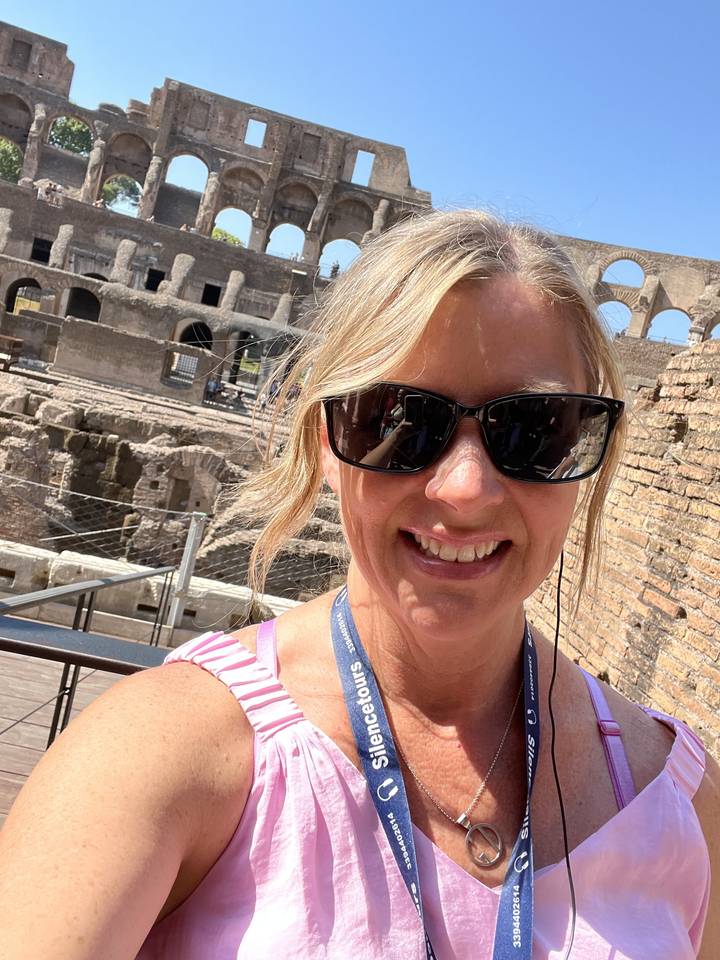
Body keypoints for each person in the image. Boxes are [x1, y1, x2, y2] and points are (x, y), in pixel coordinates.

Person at [0, 210, 717, 959]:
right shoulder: (162, 754)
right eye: (399, 419)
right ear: (325, 437)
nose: (465, 488)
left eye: (534, 429)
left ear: (589, 452)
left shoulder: (683, 805)